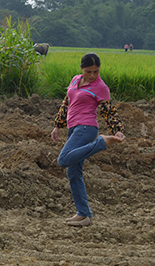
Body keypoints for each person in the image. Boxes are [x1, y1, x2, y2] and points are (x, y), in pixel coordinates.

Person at [50, 53, 125, 227]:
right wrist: (57, 125)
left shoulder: (100, 86)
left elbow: (109, 111)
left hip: (86, 128)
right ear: (81, 69)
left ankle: (101, 142)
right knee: (73, 173)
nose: (92, 75)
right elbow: (67, 103)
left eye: (96, 72)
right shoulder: (75, 80)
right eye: (88, 71)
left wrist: (118, 130)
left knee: (63, 160)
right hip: (73, 129)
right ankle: (84, 214)